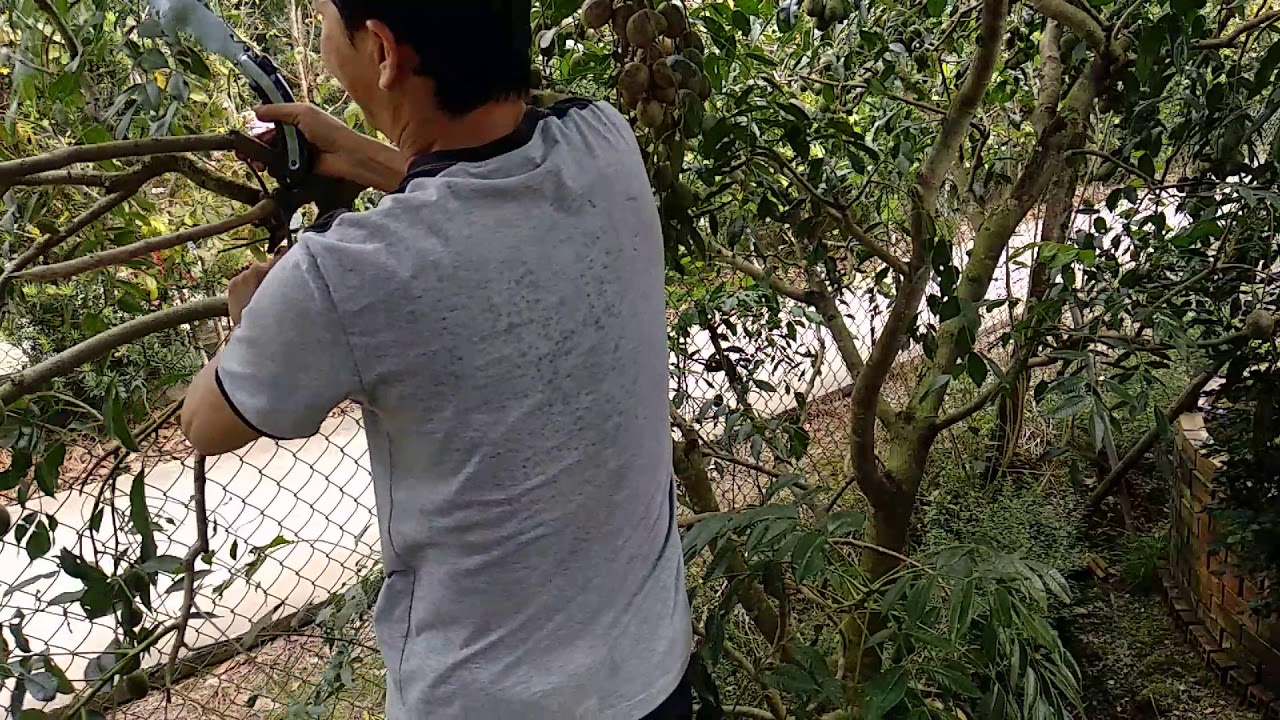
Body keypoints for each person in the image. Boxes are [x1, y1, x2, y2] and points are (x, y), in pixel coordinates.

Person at [179, 1, 692, 717]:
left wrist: (251, 320)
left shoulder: (343, 280)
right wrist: (360, 154)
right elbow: (485, 204)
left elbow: (206, 424)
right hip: (652, 679)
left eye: (327, 16)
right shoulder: (604, 140)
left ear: (383, 51)